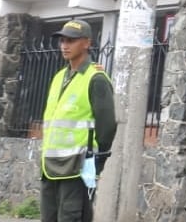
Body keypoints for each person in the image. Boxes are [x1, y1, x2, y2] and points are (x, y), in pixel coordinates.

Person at [40, 19, 115, 222]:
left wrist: (96, 164)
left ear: (86, 43)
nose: (65, 45)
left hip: (77, 168)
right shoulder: (58, 77)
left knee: (71, 218)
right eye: (62, 40)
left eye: (71, 40)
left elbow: (107, 127)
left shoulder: (96, 78)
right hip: (50, 167)